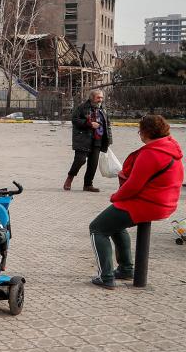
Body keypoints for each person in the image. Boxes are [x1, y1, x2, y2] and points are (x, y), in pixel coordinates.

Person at [88, 115, 184, 289]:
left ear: (145, 132)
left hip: (148, 203)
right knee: (115, 224)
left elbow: (133, 185)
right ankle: (126, 268)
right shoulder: (170, 147)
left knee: (97, 228)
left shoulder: (151, 153)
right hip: (164, 202)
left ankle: (106, 277)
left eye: (140, 131)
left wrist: (116, 196)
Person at [65, 89, 113, 193]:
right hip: (84, 139)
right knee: (80, 160)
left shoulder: (103, 109)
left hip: (98, 140)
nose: (100, 100)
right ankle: (70, 178)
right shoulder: (82, 107)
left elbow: (107, 125)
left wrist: (109, 140)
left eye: (101, 97)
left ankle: (88, 185)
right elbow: (75, 120)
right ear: (92, 98)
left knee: (93, 163)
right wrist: (89, 124)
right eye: (98, 97)